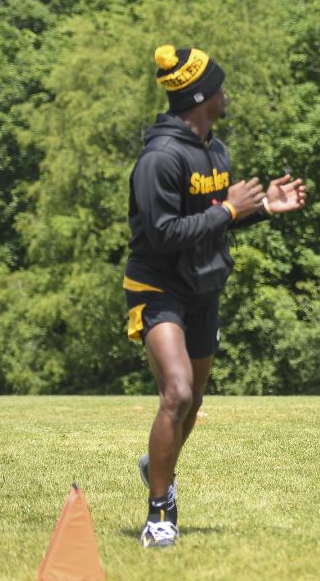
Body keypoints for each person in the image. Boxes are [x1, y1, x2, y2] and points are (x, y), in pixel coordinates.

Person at [124, 45, 307, 547]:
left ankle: (155, 466)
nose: (227, 94)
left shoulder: (216, 151)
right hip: (157, 287)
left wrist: (261, 208)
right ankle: (160, 511)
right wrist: (228, 211)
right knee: (178, 393)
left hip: (204, 289)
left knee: (194, 399)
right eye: (221, 86)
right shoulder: (159, 159)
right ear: (203, 95)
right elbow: (162, 234)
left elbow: (209, 222)